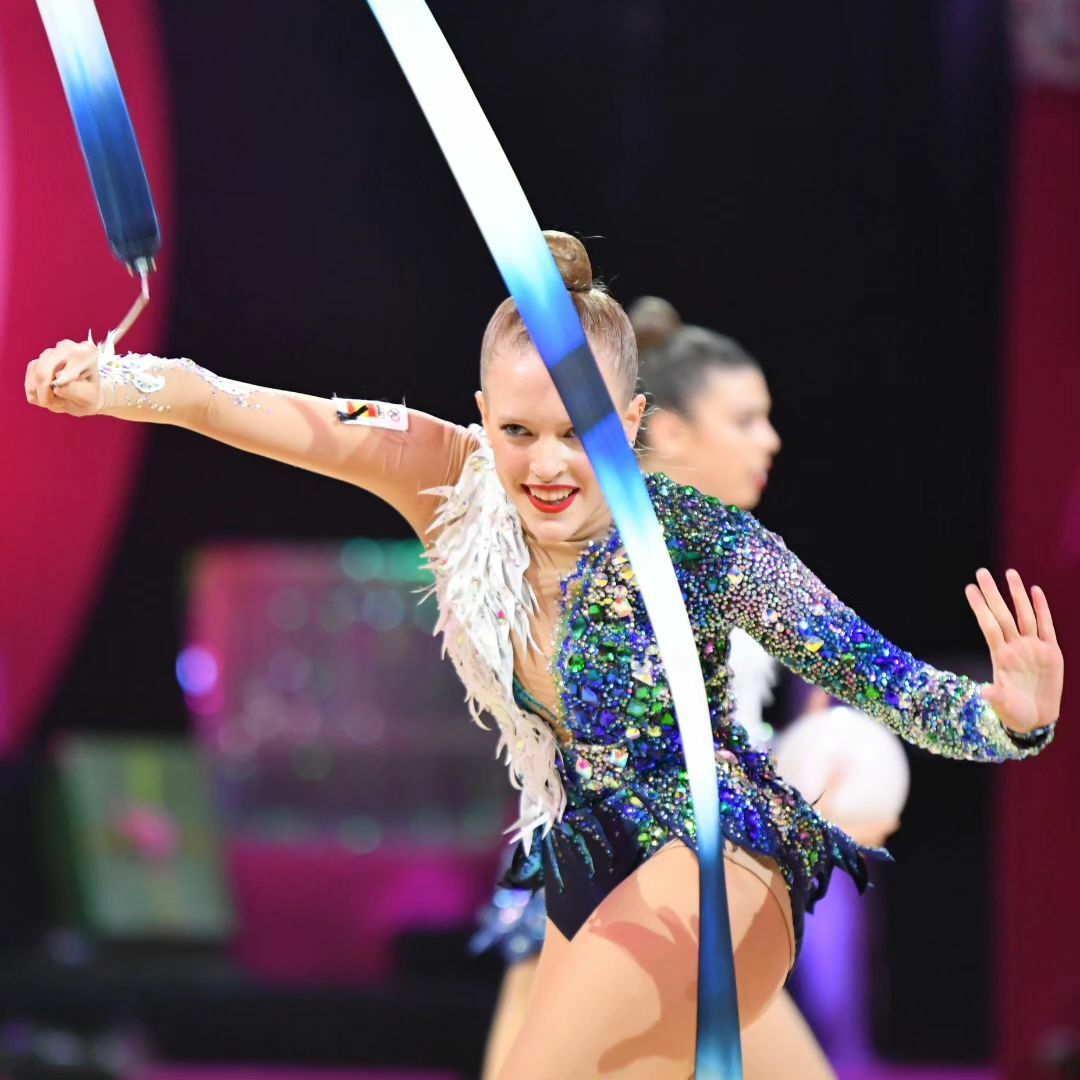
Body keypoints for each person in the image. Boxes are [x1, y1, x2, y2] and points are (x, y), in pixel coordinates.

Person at [25, 233, 1061, 1080]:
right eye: (519, 431)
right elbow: (269, 414)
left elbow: (882, 678)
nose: (549, 464)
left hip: (714, 859)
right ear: (482, 418)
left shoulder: (701, 539)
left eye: (582, 431)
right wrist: (119, 379)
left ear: (634, 421)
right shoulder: (448, 478)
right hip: (584, 865)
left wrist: (1011, 716)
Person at [475, 298, 908, 1079]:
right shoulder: (615, 545)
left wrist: (800, 779)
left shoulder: (711, 551)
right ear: (667, 431)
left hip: (667, 889)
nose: (769, 439)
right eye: (744, 420)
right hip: (617, 889)